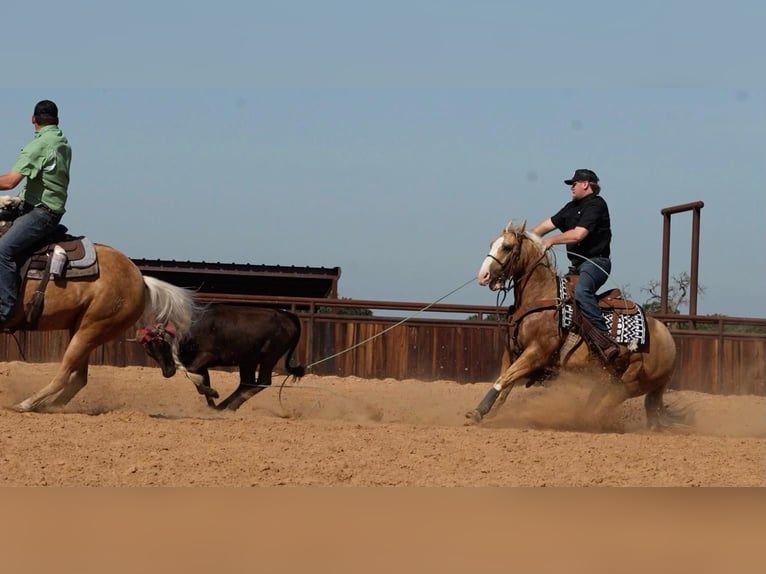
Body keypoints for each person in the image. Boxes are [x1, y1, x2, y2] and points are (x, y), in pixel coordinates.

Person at [531, 168, 619, 362]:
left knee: (581, 292)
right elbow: (544, 227)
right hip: (576, 267)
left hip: (596, 263)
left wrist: (550, 241)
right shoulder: (570, 208)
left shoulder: (597, 205)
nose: (572, 187)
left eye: (574, 183)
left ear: (586, 184)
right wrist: (527, 240)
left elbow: (579, 234)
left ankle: (605, 341)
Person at [0, 100, 71, 328]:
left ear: (33, 120)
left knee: (3, 252)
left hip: (41, 212)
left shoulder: (39, 146)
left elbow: (10, 181)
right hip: (45, 207)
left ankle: (4, 311)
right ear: (57, 120)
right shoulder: (62, 143)